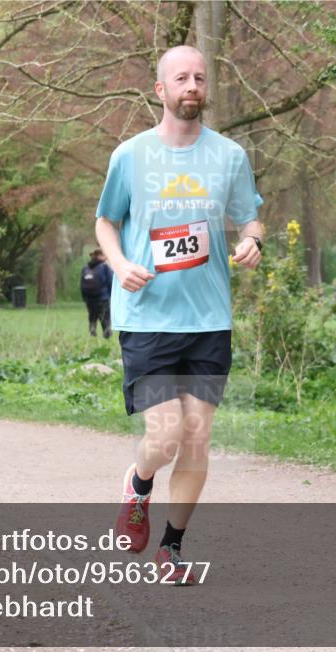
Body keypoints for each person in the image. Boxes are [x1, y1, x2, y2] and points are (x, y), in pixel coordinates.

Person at [95, 45, 263, 584]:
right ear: (160, 90)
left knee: (196, 439)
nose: (192, 85)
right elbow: (105, 222)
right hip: (147, 316)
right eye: (180, 78)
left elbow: (250, 220)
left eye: (199, 77)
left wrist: (253, 243)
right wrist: (119, 264)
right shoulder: (131, 155)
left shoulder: (229, 156)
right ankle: (139, 484)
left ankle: (171, 549)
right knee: (165, 436)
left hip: (209, 319)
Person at [80, 248, 114, 338]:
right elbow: (110, 282)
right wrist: (112, 295)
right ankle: (107, 334)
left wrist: (84, 298)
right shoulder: (104, 267)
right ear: (100, 256)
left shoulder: (86, 267)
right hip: (103, 297)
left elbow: (82, 284)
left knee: (92, 316)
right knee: (105, 316)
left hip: (89, 298)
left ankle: (92, 332)